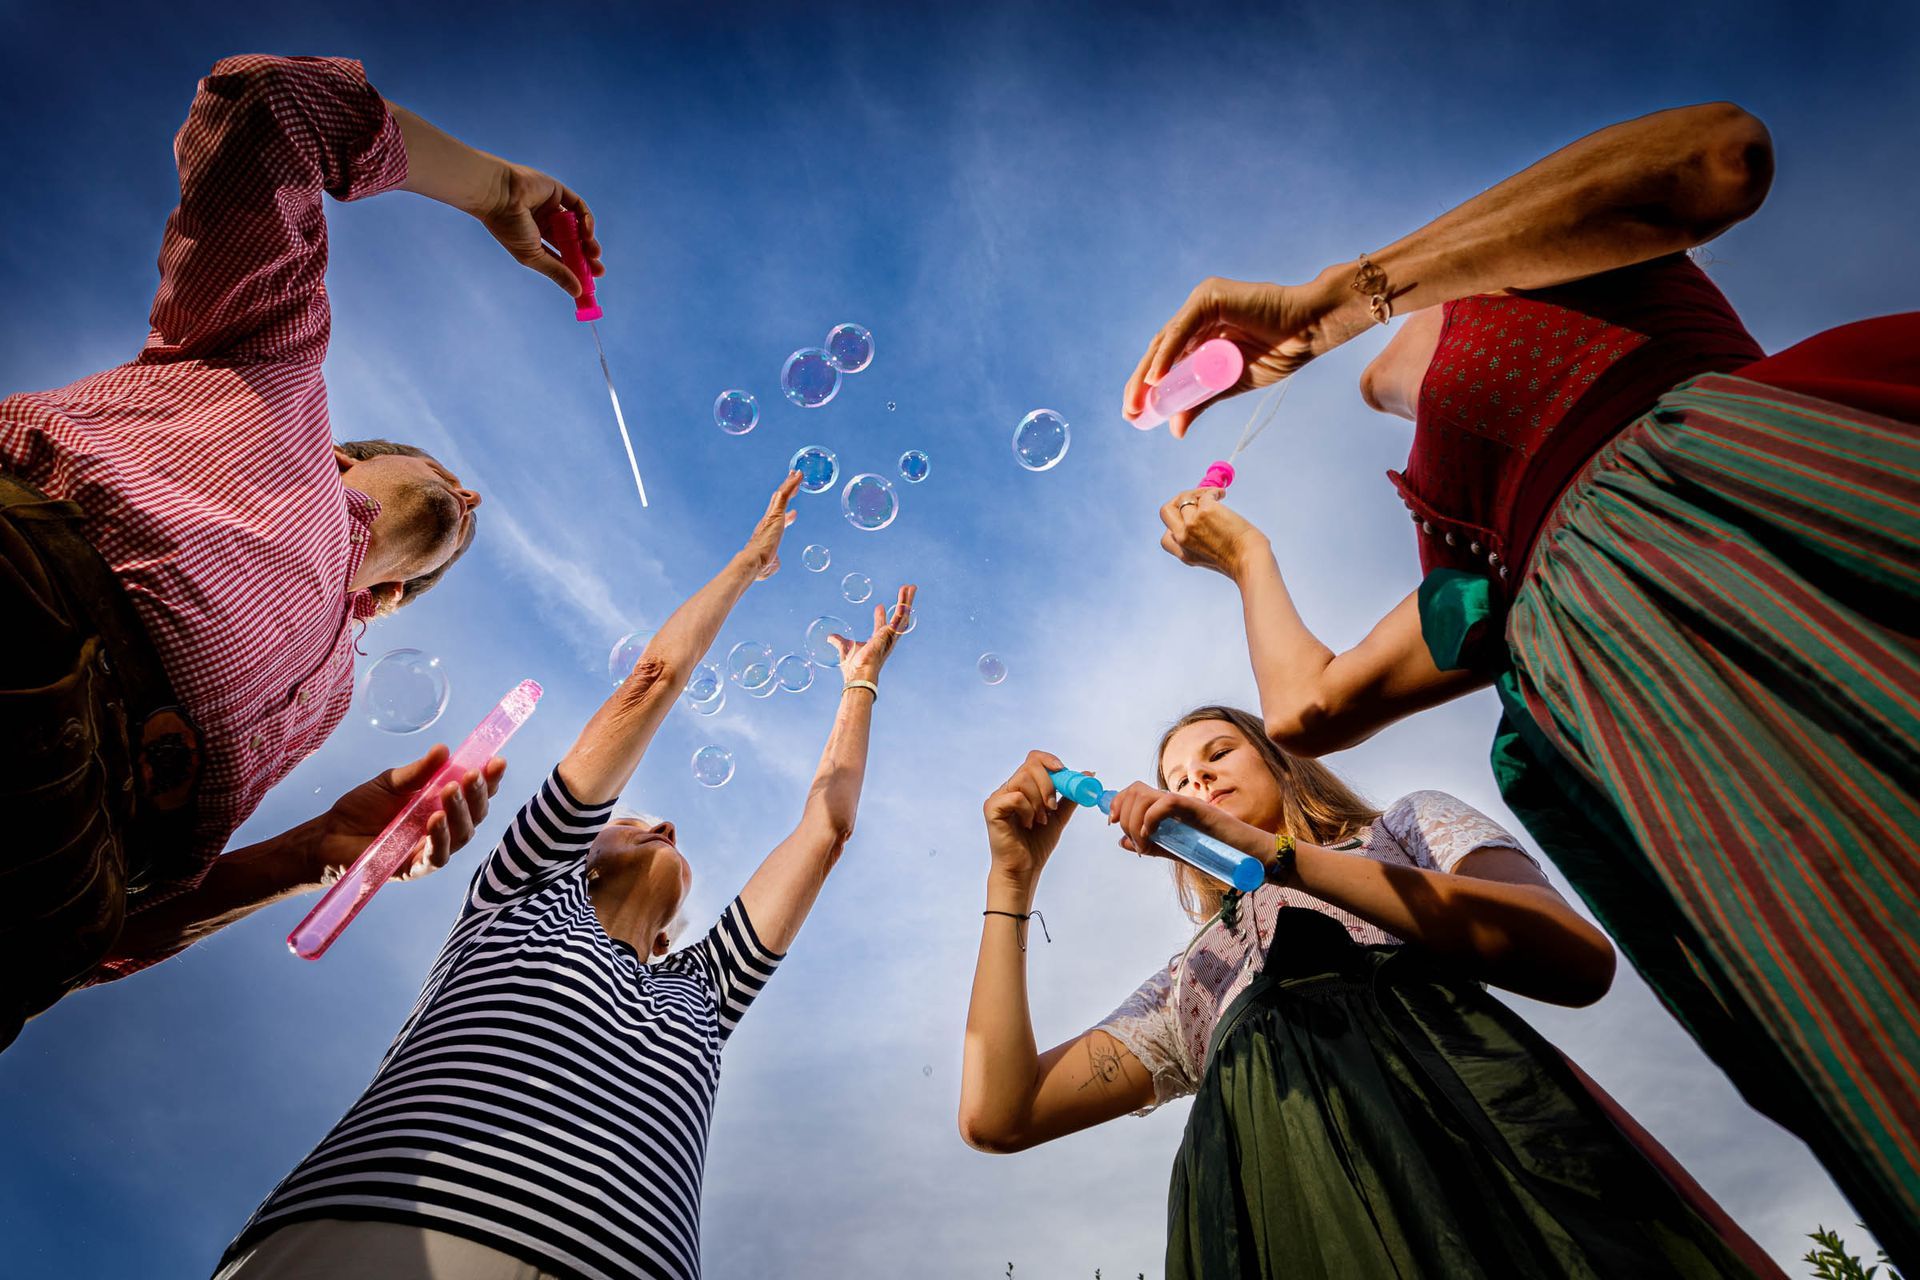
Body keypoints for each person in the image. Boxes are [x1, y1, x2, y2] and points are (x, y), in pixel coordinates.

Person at [1125, 101, 1918, 1262]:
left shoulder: (1568, 267)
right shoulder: (1489, 553)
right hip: (1650, 730)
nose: (1371, 392)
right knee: (1867, 1000)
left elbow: (1713, 158)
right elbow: (1309, 707)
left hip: (1757, 519)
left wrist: (1337, 301)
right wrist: (1247, 556)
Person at [0, 53, 604, 1046]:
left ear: (397, 597)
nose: (474, 498)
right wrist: (498, 190)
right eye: (437, 469)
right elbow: (268, 108)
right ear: (341, 455)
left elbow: (108, 943)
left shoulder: (321, 707)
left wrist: (309, 854)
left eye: (460, 529)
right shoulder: (266, 371)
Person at [215, 475, 915, 1280]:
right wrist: (747, 566)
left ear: (670, 932)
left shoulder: (708, 994)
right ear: (578, 848)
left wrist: (860, 681)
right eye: (628, 820)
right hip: (381, 1234)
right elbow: (650, 682)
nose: (666, 824)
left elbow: (826, 830)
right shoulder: (522, 886)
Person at [960, 710, 1781, 1279]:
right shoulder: (1193, 980)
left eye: (1217, 753)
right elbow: (1000, 1115)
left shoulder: (1401, 829)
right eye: (1176, 774)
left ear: (1280, 761)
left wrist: (1277, 855)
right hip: (1287, 1208)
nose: (1196, 777)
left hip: (1485, 1151)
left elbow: (1572, 955)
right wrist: (1014, 875)